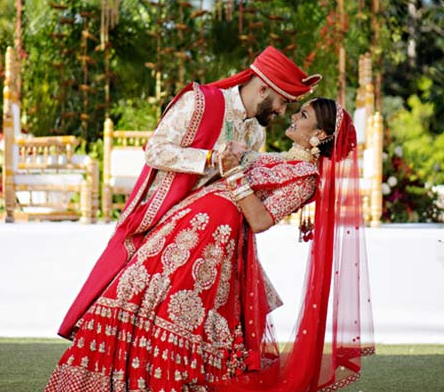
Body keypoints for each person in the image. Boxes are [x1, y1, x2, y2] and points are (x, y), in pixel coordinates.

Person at [40, 97, 374, 392]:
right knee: (130, 292)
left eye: (304, 116)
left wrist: (234, 174)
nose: (294, 117)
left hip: (210, 247)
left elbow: (259, 220)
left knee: (169, 314)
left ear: (319, 135)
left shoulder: (305, 180)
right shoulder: (283, 160)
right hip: (186, 229)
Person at [57, 46, 322, 340]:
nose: (283, 112)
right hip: (161, 217)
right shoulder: (199, 102)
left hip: (206, 237)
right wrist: (210, 157)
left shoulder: (255, 132)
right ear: (262, 89)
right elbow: (155, 151)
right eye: (283, 102)